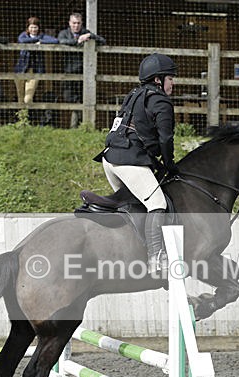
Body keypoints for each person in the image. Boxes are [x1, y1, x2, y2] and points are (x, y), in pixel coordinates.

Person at [95, 53, 177, 272]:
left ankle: (134, 250)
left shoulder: (133, 94)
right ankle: (156, 258)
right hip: (128, 161)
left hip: (110, 159)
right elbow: (165, 138)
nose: (173, 83)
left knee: (136, 206)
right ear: (158, 80)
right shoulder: (160, 100)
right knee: (157, 204)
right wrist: (169, 164)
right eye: (170, 78)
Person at [58, 12, 106, 127]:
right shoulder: (64, 33)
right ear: (70, 23)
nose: (76, 26)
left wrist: (90, 36)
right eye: (74, 23)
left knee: (81, 98)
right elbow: (61, 41)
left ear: (81, 23)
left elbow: (102, 41)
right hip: (68, 71)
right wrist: (77, 41)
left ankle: (77, 126)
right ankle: (77, 123)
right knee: (69, 97)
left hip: (83, 71)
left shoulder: (85, 32)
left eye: (78, 23)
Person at [14, 16, 58, 122]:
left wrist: (41, 41)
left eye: (35, 27)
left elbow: (55, 40)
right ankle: (22, 121)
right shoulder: (23, 35)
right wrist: (36, 41)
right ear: (28, 27)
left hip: (34, 70)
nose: (34, 29)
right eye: (31, 27)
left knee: (28, 98)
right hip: (21, 70)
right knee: (20, 97)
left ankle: (26, 118)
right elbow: (21, 40)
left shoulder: (42, 36)